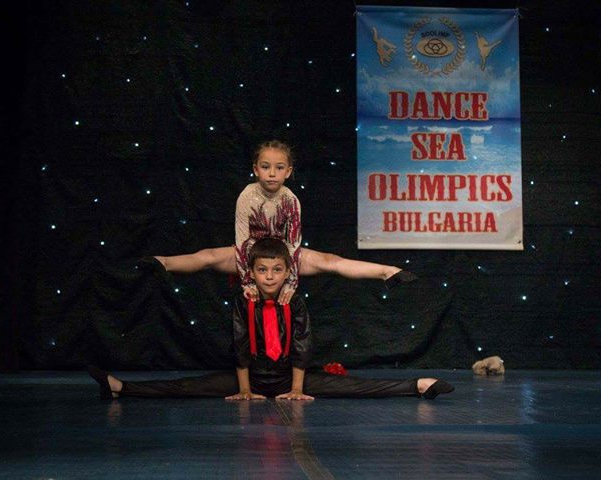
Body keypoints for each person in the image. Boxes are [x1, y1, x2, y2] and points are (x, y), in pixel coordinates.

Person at [89, 238, 453, 400]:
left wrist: (296, 390)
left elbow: (302, 346)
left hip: (289, 378)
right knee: (188, 387)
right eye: (262, 271)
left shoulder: (294, 298)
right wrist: (245, 390)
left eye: (276, 271)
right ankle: (121, 388)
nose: (269, 277)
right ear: (251, 272)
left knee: (353, 388)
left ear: (287, 271)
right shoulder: (244, 298)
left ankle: (418, 385)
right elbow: (240, 345)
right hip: (250, 378)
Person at [142, 139, 417, 305]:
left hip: (284, 254)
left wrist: (290, 282)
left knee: (330, 260)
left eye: (279, 168)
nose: (271, 173)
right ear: (255, 169)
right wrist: (248, 280)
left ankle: (387, 271)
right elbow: (242, 240)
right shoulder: (247, 195)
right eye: (265, 167)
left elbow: (294, 244)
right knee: (210, 256)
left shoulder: (291, 200)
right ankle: (164, 262)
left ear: (288, 171)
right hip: (251, 253)